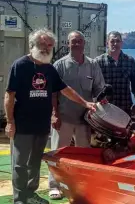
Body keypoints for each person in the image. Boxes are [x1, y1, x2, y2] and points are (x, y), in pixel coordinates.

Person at [3, 28, 96, 204]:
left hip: (41, 126)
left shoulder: (49, 69)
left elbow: (65, 90)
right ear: (33, 45)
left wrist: (85, 103)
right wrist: (10, 122)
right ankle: (20, 199)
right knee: (20, 164)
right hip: (22, 125)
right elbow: (9, 95)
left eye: (50, 45)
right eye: (42, 44)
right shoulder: (20, 65)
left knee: (35, 163)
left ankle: (30, 194)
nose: (46, 48)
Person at [48, 30, 105, 200]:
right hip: (64, 117)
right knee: (58, 153)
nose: (77, 44)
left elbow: (99, 89)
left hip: (84, 120)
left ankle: (81, 185)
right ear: (68, 44)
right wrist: (54, 114)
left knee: (83, 155)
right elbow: (53, 93)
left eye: (80, 41)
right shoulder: (59, 65)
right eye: (73, 41)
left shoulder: (93, 64)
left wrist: (102, 101)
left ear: (84, 43)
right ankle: (54, 186)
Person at [94, 31, 135, 117]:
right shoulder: (98, 61)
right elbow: (94, 85)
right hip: (105, 107)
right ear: (107, 43)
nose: (115, 43)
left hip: (125, 107)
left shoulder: (130, 61)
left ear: (121, 43)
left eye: (118, 41)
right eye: (112, 41)